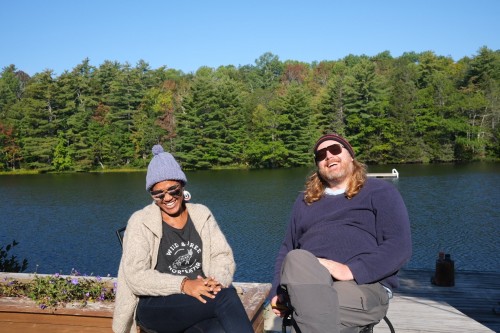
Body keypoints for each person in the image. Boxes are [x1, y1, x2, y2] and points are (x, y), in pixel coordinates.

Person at [270, 133, 412, 333]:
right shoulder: (304, 201)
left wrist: (350, 270)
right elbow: (287, 248)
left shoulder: (379, 192)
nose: (329, 156)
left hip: (363, 284)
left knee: (304, 315)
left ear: (351, 156)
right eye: (321, 155)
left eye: (335, 150)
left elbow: (399, 246)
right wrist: (277, 290)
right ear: (318, 164)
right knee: (295, 258)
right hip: (310, 282)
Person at [112, 145, 254, 333]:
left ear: (182, 186)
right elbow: (135, 277)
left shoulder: (201, 214)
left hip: (199, 299)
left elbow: (221, 254)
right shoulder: (140, 222)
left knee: (218, 328)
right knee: (226, 297)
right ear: (152, 195)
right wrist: (184, 284)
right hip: (156, 305)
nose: (168, 197)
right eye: (159, 194)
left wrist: (216, 280)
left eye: (173, 190)